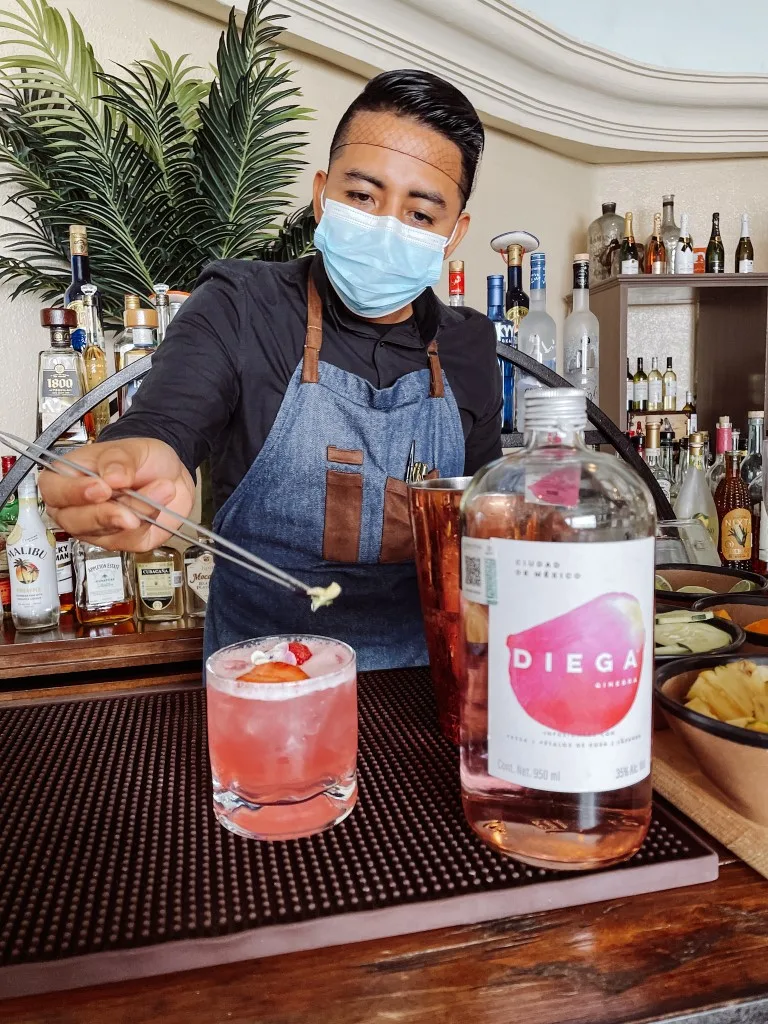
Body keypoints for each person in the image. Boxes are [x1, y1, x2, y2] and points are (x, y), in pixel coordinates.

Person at [40, 69, 502, 670]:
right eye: (362, 196)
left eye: (420, 215)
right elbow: (164, 425)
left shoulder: (468, 345)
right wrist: (125, 461)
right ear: (320, 196)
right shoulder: (240, 305)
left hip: (426, 684)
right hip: (263, 686)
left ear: (454, 234)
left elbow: (487, 527)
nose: (386, 226)